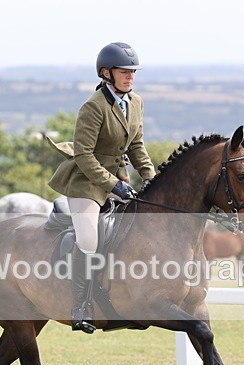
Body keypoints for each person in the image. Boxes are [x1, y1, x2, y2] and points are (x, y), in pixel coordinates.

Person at [47, 42, 156, 334]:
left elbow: (136, 145)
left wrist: (150, 176)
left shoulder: (136, 102)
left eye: (133, 72)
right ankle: (80, 307)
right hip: (86, 183)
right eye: (124, 72)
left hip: (118, 179)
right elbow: (84, 155)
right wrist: (113, 185)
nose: (130, 76)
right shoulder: (93, 106)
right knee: (88, 239)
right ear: (106, 73)